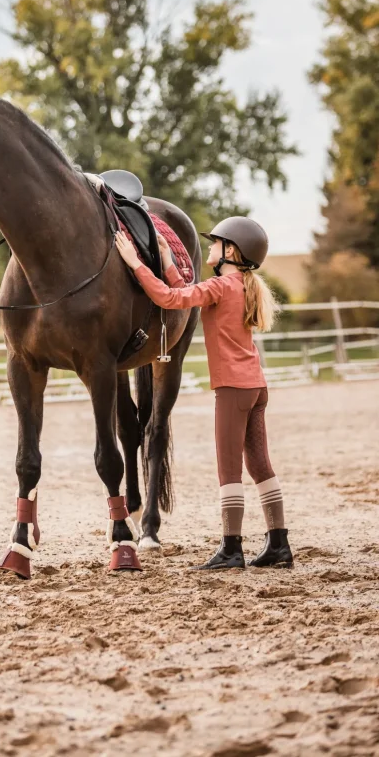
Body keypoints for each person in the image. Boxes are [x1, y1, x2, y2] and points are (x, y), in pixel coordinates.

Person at [115, 217, 293, 570]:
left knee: (229, 470)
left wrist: (136, 264)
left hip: (232, 390)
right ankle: (279, 544)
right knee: (260, 465)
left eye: (215, 242)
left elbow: (169, 298)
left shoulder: (220, 287)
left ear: (230, 250)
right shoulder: (240, 285)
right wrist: (166, 259)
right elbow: (185, 290)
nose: (209, 247)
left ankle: (231, 549)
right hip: (256, 387)